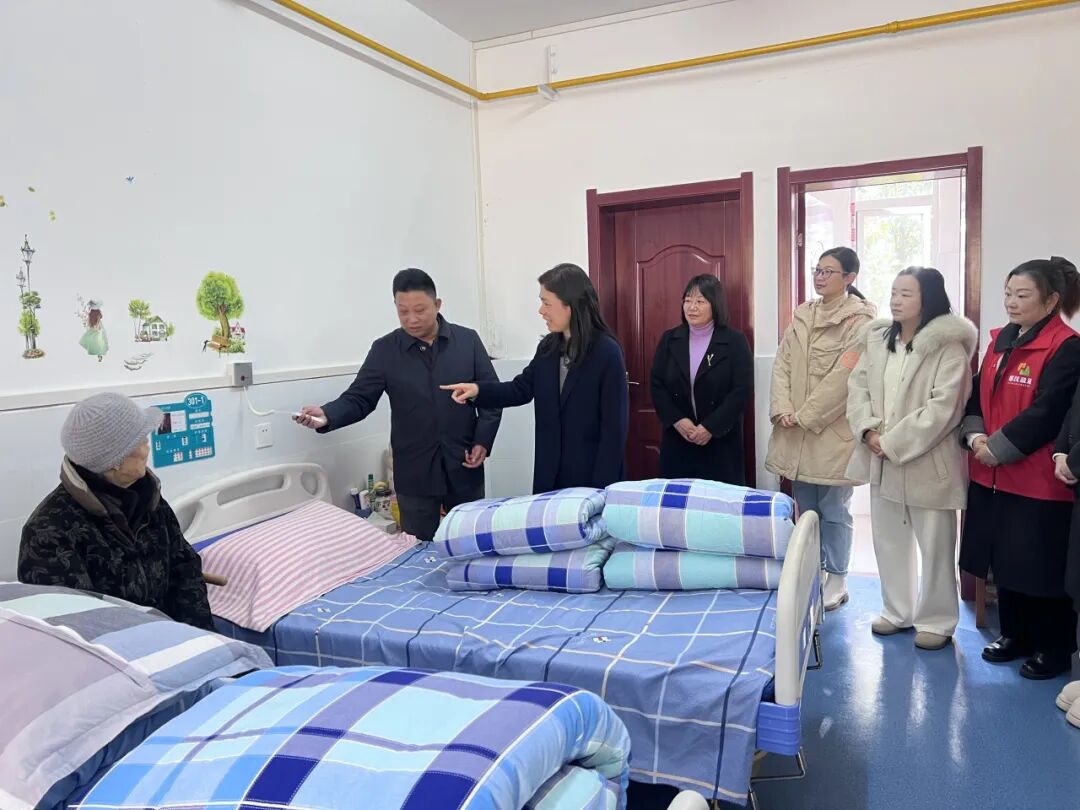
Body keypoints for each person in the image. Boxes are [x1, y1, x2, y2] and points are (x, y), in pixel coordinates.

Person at [296, 269, 502, 542]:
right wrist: (327, 414)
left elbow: (491, 396)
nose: (411, 319)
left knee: (470, 540)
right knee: (414, 546)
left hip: (464, 464)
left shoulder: (467, 341)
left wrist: (482, 441)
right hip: (414, 471)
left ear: (437, 305)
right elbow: (360, 398)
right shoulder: (385, 350)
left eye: (420, 310)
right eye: (403, 311)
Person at [960, 256, 1080, 679]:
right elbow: (977, 396)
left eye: (1022, 295)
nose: (1011, 302)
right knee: (1006, 561)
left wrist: (999, 448)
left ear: (1050, 301)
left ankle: (1054, 648)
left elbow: (1049, 412)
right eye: (1008, 293)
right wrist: (975, 438)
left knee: (1041, 565)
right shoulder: (1000, 341)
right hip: (991, 474)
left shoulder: (1067, 346)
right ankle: (1014, 635)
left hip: (1038, 479)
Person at [846, 268, 977, 650]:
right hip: (881, 456)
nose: (896, 300)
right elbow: (857, 388)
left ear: (928, 298)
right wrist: (868, 431)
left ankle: (937, 620)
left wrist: (892, 442)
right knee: (888, 539)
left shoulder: (948, 347)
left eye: (906, 293)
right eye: (893, 292)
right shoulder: (878, 341)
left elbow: (945, 408)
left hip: (927, 462)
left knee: (935, 546)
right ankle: (897, 610)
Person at [18, 392, 213, 630]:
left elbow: (185, 569)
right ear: (115, 460)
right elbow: (73, 625)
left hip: (173, 635)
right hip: (112, 647)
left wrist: (203, 636)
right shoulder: (49, 531)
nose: (147, 448)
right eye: (141, 441)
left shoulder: (148, 498)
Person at [441, 263, 628, 493]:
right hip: (549, 473)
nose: (541, 311)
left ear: (571, 305)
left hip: (590, 477)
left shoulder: (606, 352)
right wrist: (478, 391)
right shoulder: (548, 348)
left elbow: (614, 430)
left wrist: (603, 489)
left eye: (546, 303)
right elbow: (520, 389)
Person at [766, 247, 876, 611]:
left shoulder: (860, 321)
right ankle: (811, 571)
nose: (820, 277)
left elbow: (844, 377)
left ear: (849, 278)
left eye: (829, 272)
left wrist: (807, 414)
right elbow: (782, 364)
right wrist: (783, 408)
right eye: (818, 270)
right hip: (795, 430)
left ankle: (838, 577)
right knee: (806, 509)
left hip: (831, 433)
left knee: (834, 509)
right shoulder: (803, 315)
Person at [649, 274, 753, 484]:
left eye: (700, 301)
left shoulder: (734, 341)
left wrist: (710, 427)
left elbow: (742, 390)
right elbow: (657, 385)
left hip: (719, 441)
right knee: (678, 497)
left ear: (715, 304)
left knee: (717, 499)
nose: (692, 307)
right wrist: (678, 420)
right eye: (687, 300)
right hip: (679, 439)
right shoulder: (670, 339)